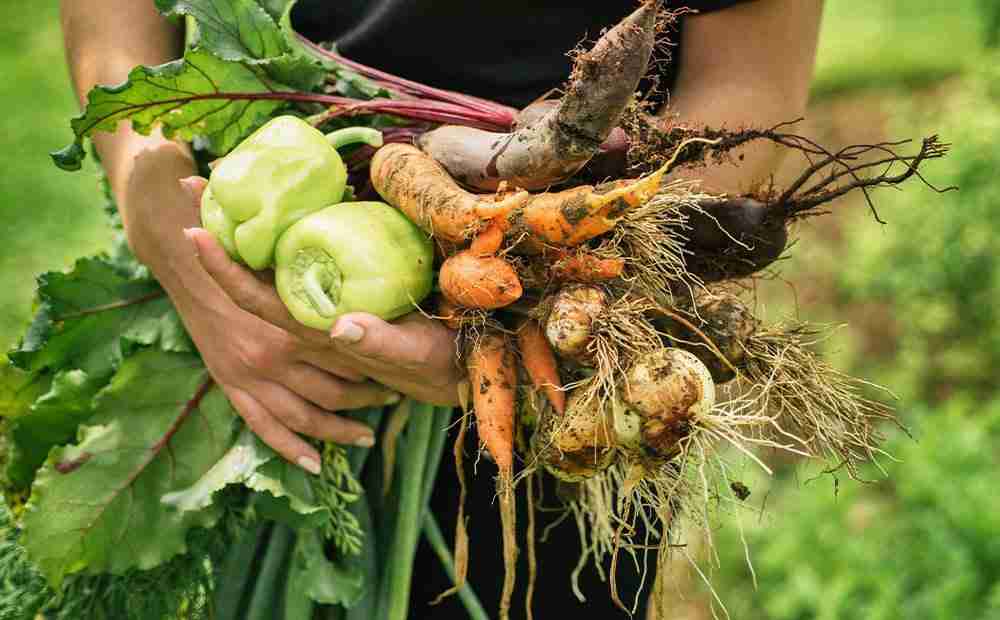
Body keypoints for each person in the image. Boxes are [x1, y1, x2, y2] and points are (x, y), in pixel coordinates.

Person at [60, 1, 822, 616]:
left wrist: (548, 285)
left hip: (566, 352)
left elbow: (752, 72)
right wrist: (156, 206)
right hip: (245, 312)